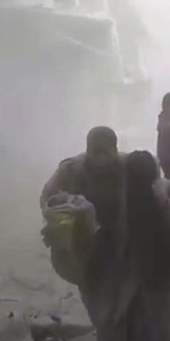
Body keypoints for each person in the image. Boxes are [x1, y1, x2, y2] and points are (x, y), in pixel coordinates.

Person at [93, 150, 170, 341]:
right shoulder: (153, 199)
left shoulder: (148, 199)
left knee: (133, 327)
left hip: (147, 275)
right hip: (141, 274)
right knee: (139, 327)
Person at [40, 126, 126, 327]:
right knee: (90, 287)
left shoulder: (126, 167)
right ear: (88, 150)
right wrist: (65, 207)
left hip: (117, 237)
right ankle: (102, 325)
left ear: (115, 150)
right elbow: (47, 198)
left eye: (107, 152)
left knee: (117, 290)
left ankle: (112, 325)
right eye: (96, 152)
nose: (102, 158)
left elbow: (152, 183)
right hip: (84, 241)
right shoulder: (71, 170)